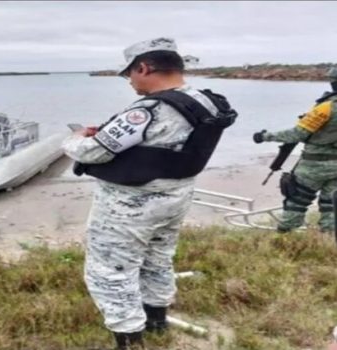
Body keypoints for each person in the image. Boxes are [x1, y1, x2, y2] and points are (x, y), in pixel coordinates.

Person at [62, 38, 237, 349]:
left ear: (143, 67)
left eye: (129, 74)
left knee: (110, 271)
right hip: (176, 195)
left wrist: (75, 139)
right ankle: (156, 319)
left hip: (130, 205)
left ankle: (130, 338)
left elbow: (93, 153)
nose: (129, 81)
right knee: (158, 258)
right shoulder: (206, 101)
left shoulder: (150, 109)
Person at [253, 67, 337, 233]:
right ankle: (329, 240)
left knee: (296, 201)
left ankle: (285, 238)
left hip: (313, 166)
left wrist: (265, 136)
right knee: (331, 206)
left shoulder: (327, 107)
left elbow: (297, 134)